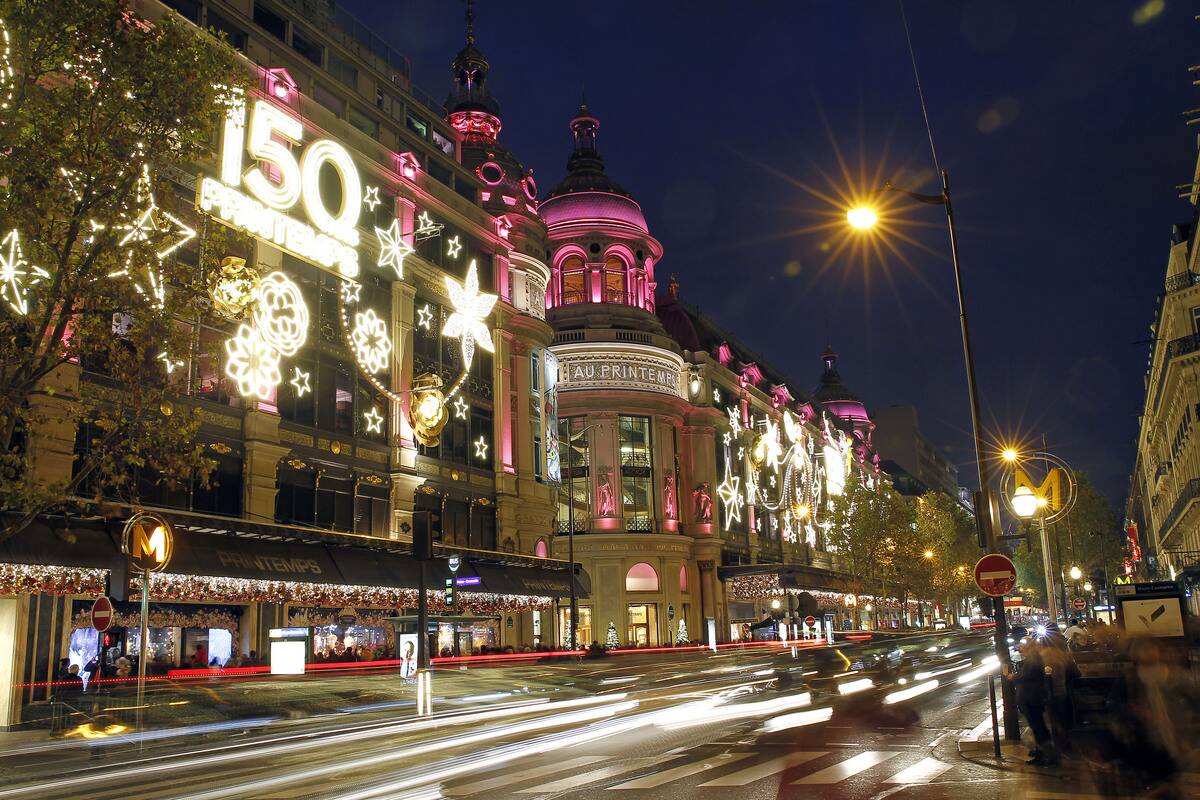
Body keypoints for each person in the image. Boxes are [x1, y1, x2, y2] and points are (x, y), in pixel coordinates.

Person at [1006, 637, 1057, 766]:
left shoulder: (1033, 659)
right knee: (1037, 727)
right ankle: (1041, 752)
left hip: (1032, 698)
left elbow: (1028, 675)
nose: (1020, 647)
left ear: (1029, 646)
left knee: (1038, 727)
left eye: (1022, 645)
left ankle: (1048, 755)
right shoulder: (1032, 658)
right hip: (1031, 698)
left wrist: (1014, 677)